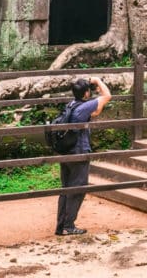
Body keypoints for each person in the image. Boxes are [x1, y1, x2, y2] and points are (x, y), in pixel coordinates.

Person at [55, 75, 112, 236]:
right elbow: (107, 96)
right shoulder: (84, 106)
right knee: (78, 189)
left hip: (66, 151)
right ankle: (69, 225)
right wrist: (98, 81)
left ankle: (61, 226)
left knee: (66, 188)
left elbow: (96, 111)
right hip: (78, 152)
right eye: (89, 91)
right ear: (86, 94)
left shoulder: (72, 105)